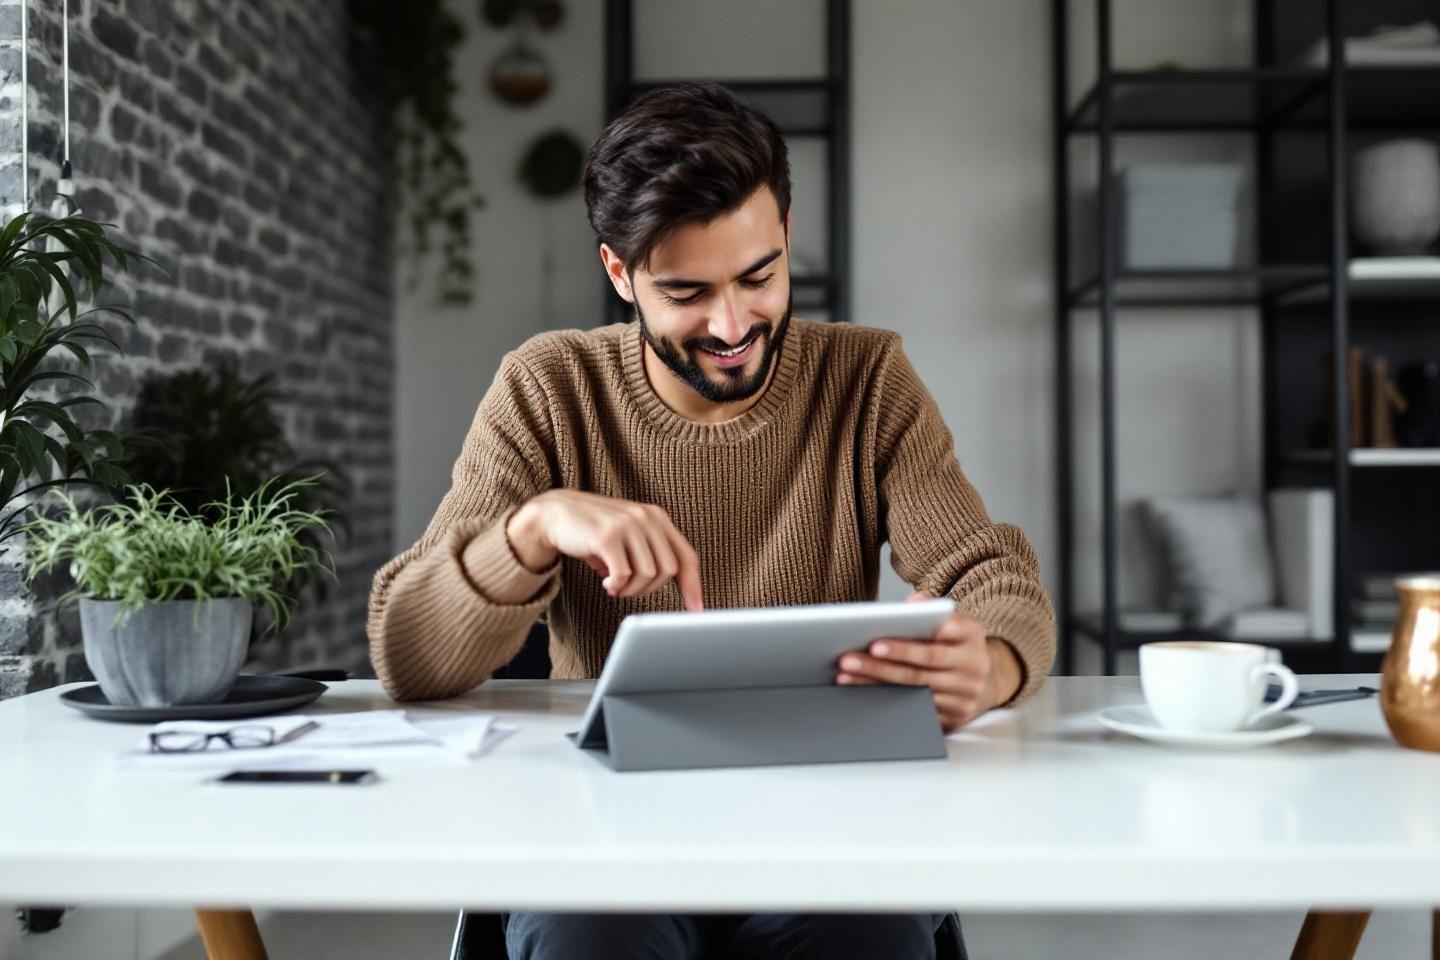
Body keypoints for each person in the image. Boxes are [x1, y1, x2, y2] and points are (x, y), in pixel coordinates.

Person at [368, 80, 1054, 960]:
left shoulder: (867, 378)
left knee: (869, 937)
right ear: (620, 272)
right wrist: (529, 531)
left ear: (786, 236)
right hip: (606, 828)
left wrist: (989, 667)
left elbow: (990, 575)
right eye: (687, 291)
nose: (733, 325)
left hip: (828, 823)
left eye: (759, 276)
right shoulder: (549, 388)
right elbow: (405, 651)